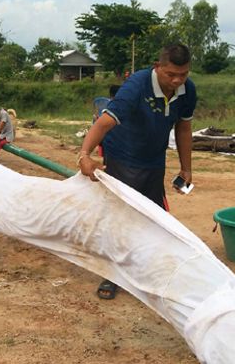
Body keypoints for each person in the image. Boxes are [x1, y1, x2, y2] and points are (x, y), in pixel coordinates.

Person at [77, 44, 196, 300]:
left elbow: (183, 129)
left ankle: (152, 268)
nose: (177, 80)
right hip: (122, 155)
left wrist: (186, 168)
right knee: (121, 214)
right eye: (171, 74)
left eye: (183, 74)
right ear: (158, 67)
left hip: (154, 159)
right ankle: (112, 273)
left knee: (155, 216)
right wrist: (84, 155)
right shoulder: (137, 86)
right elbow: (105, 121)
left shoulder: (187, 90)